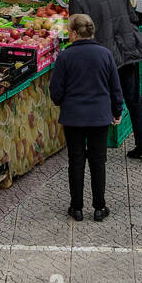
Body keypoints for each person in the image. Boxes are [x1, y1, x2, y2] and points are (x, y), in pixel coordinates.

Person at [66, 0, 142, 160]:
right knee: (133, 98)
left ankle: (98, 149)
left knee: (100, 99)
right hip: (128, 49)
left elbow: (78, 33)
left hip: (103, 56)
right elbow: (133, 17)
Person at [49, 12, 122, 222]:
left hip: (73, 118)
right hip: (99, 116)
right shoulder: (105, 54)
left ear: (72, 33)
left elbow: (56, 91)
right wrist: (117, 111)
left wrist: (63, 103)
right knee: (98, 161)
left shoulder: (64, 56)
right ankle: (99, 207)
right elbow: (115, 88)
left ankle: (77, 207)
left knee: (76, 161)